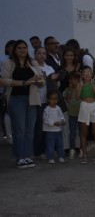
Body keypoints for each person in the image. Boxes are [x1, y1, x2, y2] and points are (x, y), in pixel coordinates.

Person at [2, 40, 45, 168]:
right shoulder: (8, 63)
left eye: (24, 47)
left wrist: (38, 81)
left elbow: (42, 80)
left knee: (29, 130)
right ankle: (20, 157)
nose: (22, 50)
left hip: (32, 99)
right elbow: (3, 80)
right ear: (15, 50)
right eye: (19, 48)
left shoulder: (33, 62)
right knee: (19, 130)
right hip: (16, 99)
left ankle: (27, 156)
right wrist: (24, 82)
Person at [76, 66, 95, 163]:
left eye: (89, 73)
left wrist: (92, 85)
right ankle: (84, 155)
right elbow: (77, 97)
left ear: (92, 74)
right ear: (82, 75)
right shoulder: (79, 84)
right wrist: (81, 86)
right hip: (84, 106)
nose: (87, 75)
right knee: (84, 132)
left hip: (94, 106)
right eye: (85, 73)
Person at [33, 47, 56, 159]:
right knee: (39, 127)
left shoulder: (50, 68)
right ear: (35, 55)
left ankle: (49, 149)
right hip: (38, 101)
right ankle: (39, 151)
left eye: (44, 53)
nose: (42, 55)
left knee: (49, 126)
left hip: (50, 101)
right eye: (39, 53)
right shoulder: (32, 68)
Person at [43, 90, 66, 164]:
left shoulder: (58, 108)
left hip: (59, 130)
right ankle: (50, 158)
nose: (54, 101)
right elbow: (45, 119)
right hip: (50, 131)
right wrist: (53, 123)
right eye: (52, 99)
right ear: (48, 100)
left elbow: (61, 115)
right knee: (50, 145)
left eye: (55, 99)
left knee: (60, 144)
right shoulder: (46, 109)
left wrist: (63, 121)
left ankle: (60, 156)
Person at [63, 72, 81, 159]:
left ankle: (81, 149)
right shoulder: (67, 90)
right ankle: (72, 150)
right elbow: (67, 100)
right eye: (70, 79)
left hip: (81, 114)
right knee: (72, 133)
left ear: (78, 80)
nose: (72, 81)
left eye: (74, 79)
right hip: (72, 114)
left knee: (81, 133)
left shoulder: (81, 88)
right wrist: (69, 90)